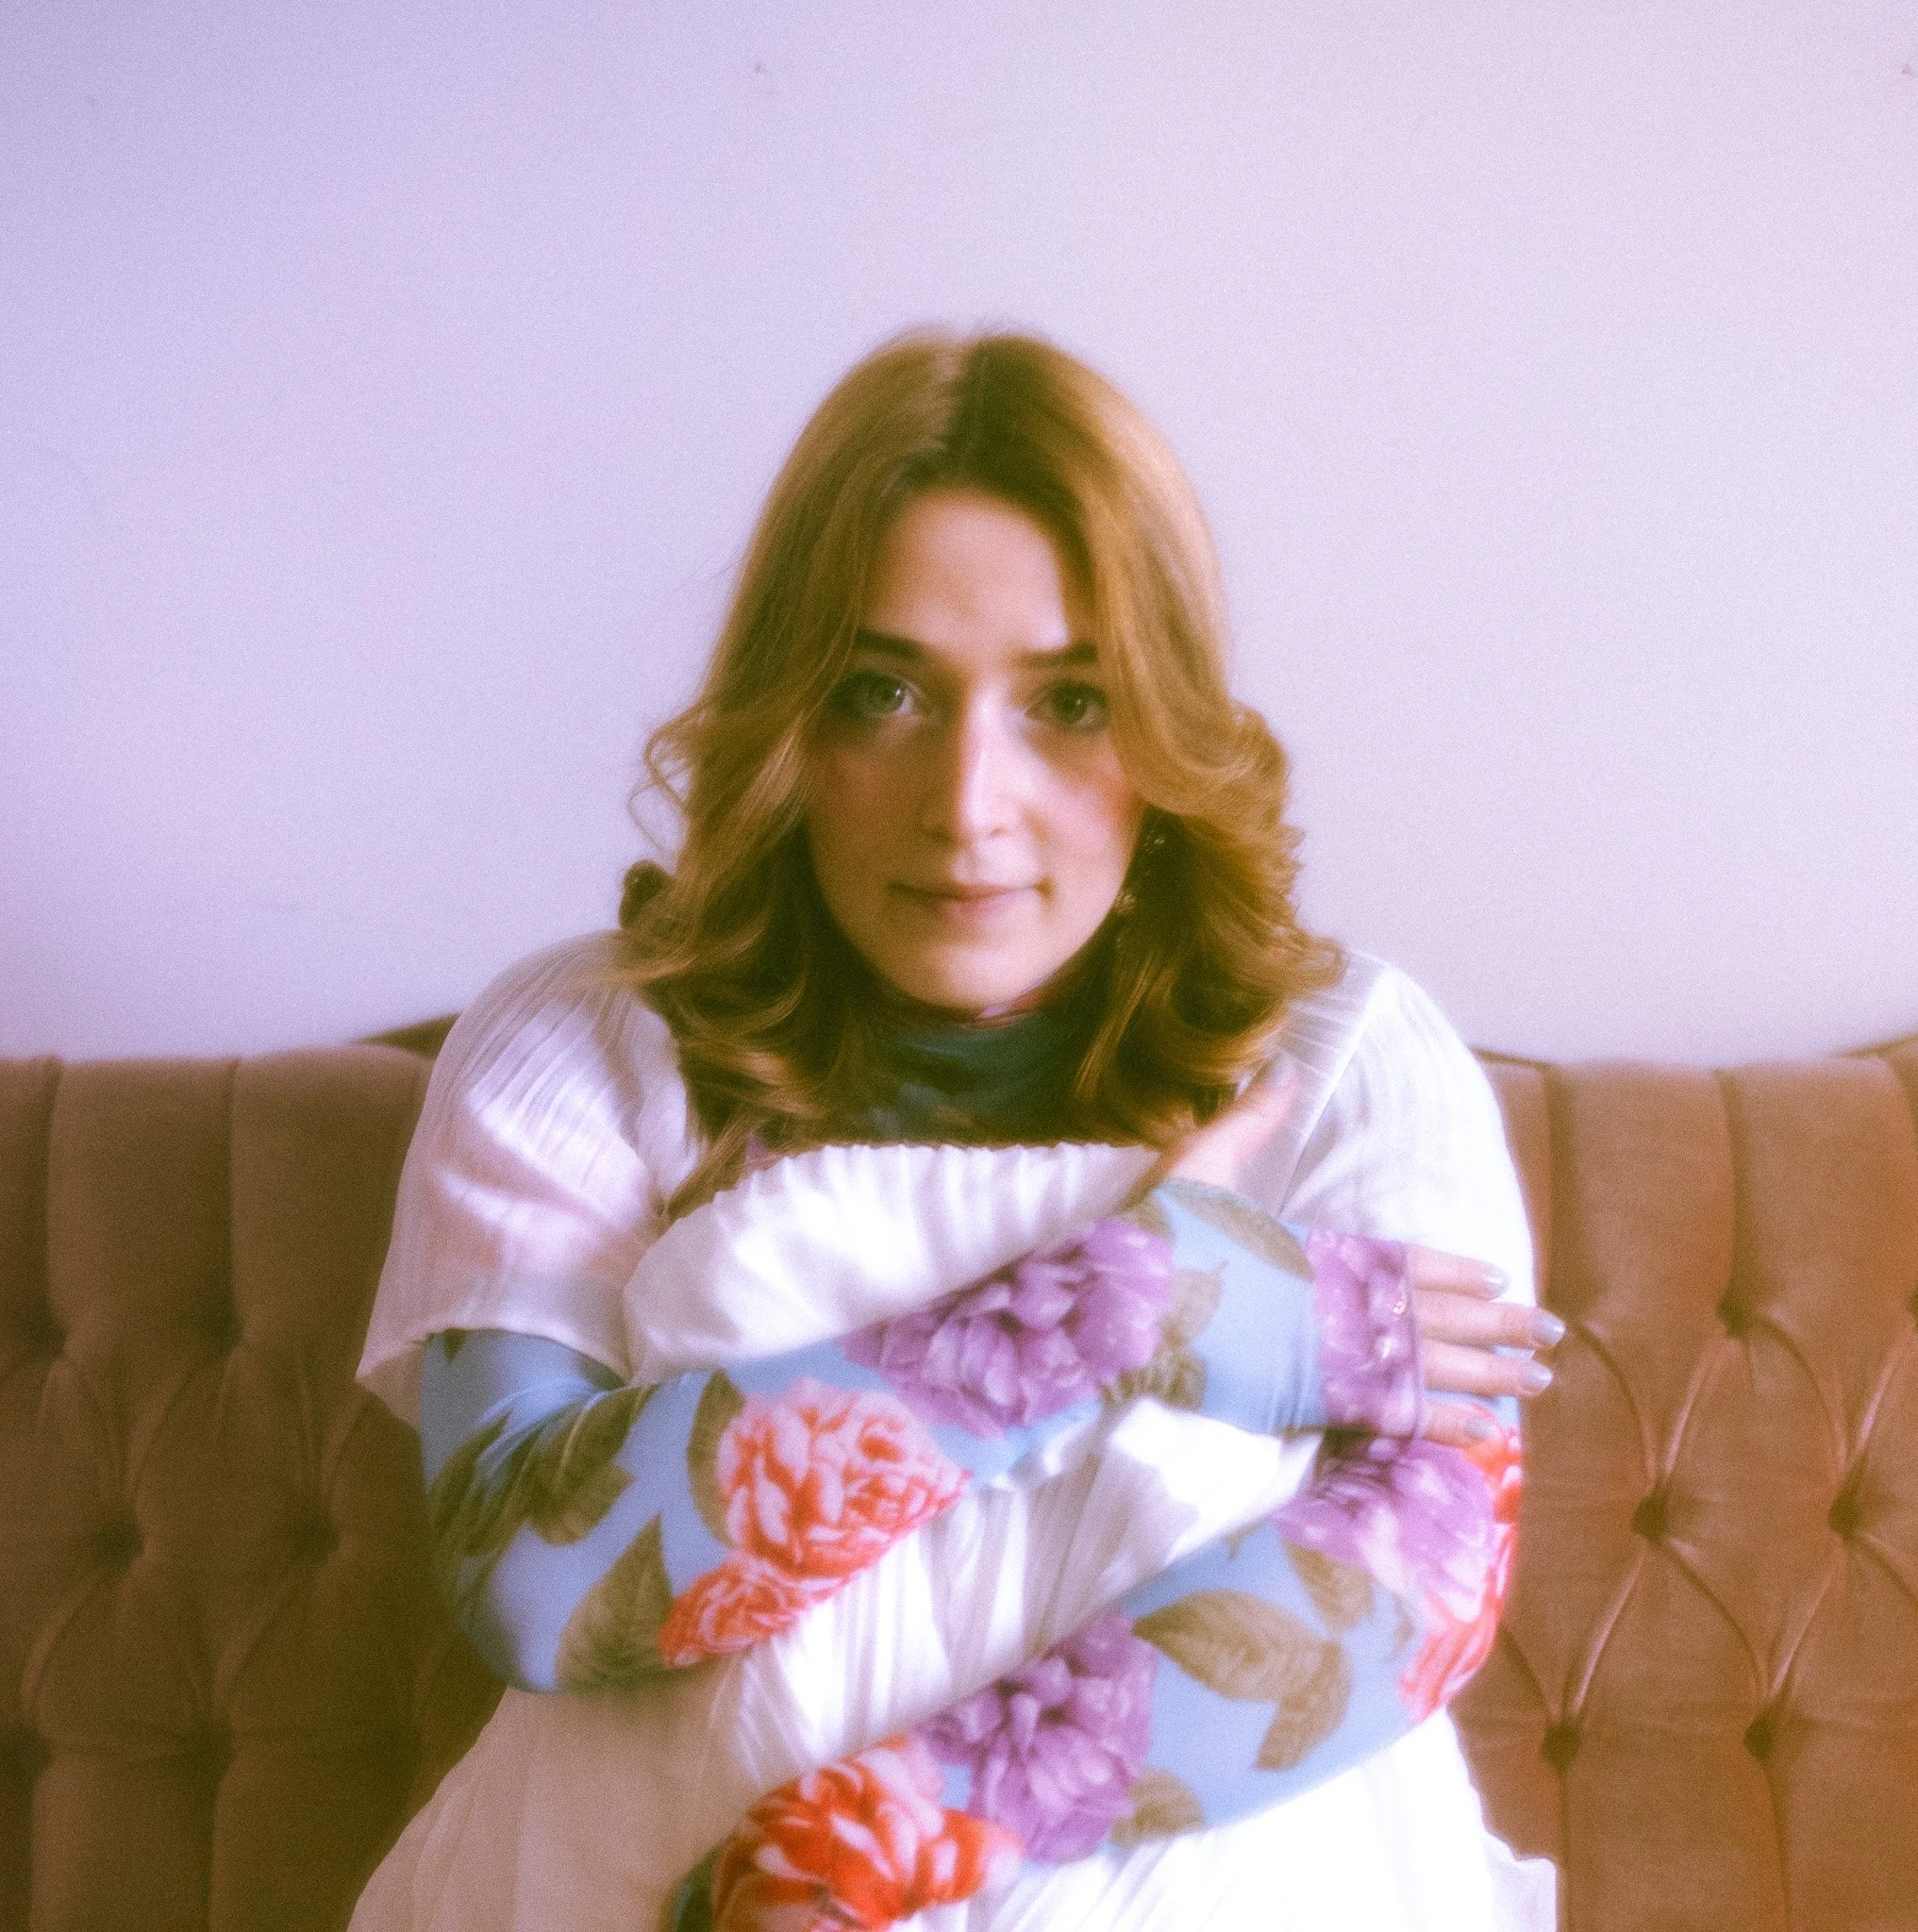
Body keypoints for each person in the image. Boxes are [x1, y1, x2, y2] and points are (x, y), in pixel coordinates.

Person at [353, 330, 1561, 1931]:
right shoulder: (584, 1039)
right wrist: (1110, 1315)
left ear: (1166, 725)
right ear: (790, 721)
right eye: (886, 692)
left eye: (1069, 701)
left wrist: (875, 1837)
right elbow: (537, 1578)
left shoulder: (1343, 1055)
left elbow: (1426, 1571)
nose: (968, 802)